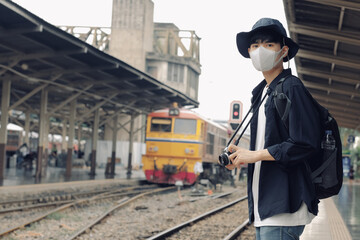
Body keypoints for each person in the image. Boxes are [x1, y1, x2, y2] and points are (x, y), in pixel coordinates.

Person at [225, 18, 322, 240]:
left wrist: (255, 155)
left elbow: (305, 143)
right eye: (255, 45)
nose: (261, 50)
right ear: (249, 51)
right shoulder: (262, 93)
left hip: (285, 206)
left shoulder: (291, 87)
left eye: (269, 45)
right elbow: (267, 147)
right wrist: (240, 158)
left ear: (283, 51)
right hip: (266, 206)